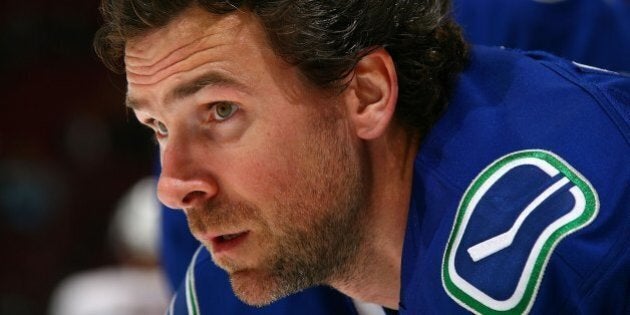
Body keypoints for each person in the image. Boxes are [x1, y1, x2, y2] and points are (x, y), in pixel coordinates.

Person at [94, 0, 629, 314]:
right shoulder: (238, 279)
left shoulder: (540, 246)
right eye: (157, 127)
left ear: (366, 95)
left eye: (221, 110)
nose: (172, 185)